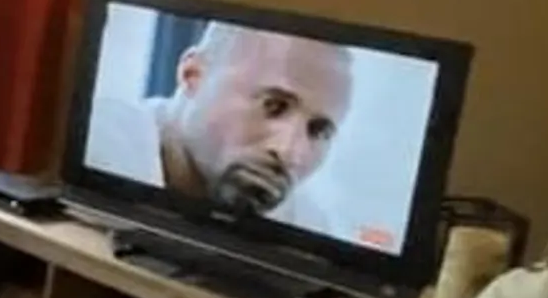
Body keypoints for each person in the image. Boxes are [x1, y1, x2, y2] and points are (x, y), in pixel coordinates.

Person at [83, 22, 354, 231]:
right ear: (193, 75)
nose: (288, 152)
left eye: (318, 131)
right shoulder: (98, 145)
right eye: (273, 106)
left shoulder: (306, 225)